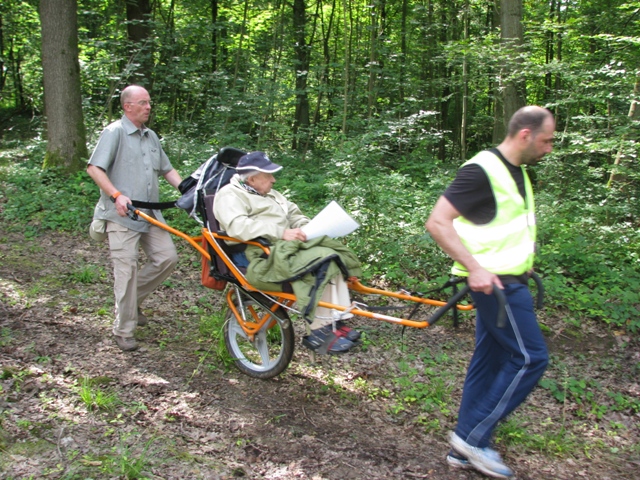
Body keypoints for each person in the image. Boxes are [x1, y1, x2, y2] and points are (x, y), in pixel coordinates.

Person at [425, 106, 553, 478]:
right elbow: (437, 222)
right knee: (531, 358)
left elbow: (499, 224)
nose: (550, 148)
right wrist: (476, 268)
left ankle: (462, 451)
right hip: (496, 286)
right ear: (525, 134)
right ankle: (473, 438)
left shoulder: (519, 172)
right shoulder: (482, 169)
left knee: (490, 362)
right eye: (547, 140)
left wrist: (521, 259)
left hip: (510, 278)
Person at [213, 151, 361, 354]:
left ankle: (335, 323)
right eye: (269, 175)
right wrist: (281, 232)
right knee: (320, 261)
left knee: (333, 256)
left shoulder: (271, 194)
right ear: (252, 178)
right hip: (256, 254)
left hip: (280, 248)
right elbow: (238, 226)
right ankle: (318, 331)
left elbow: (295, 215)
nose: (274, 180)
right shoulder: (229, 194)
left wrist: (310, 228)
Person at [87, 85, 182, 352]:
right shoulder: (114, 132)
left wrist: (187, 190)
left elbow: (167, 169)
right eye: (143, 102)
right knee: (126, 272)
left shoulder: (150, 136)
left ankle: (130, 302)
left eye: (149, 102)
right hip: (121, 216)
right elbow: (94, 168)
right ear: (128, 106)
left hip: (150, 213)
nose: (148, 107)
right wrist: (117, 195)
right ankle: (124, 329)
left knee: (167, 258)